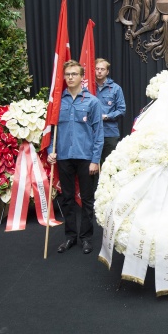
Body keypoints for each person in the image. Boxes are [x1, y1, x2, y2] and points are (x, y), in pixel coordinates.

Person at [47, 60, 103, 254]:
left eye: (74, 74)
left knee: (87, 200)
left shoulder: (92, 101)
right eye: (67, 74)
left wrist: (95, 160)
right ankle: (70, 237)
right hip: (63, 156)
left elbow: (98, 132)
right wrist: (49, 152)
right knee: (67, 199)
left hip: (86, 157)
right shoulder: (57, 102)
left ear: (82, 77)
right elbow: (50, 130)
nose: (70, 77)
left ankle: (86, 238)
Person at [95, 58, 126, 164]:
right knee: (92, 167)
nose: (99, 71)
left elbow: (122, 110)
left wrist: (107, 116)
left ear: (107, 71)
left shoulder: (115, 88)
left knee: (109, 165)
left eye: (102, 69)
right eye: (97, 69)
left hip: (109, 133)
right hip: (91, 133)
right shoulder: (87, 87)